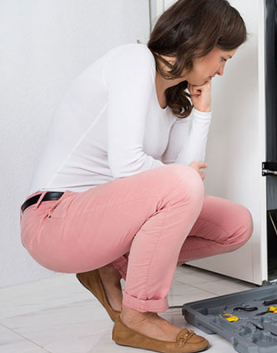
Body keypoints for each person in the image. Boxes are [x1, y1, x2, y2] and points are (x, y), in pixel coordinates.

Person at [19, 1, 252, 352]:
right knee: (181, 183)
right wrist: (181, 177)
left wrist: (202, 113)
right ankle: (138, 316)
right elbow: (137, 169)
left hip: (104, 222)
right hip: (53, 219)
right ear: (201, 44)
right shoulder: (133, 60)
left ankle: (112, 266)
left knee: (236, 224)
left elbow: (186, 186)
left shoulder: (173, 95)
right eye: (223, 59)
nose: (220, 72)